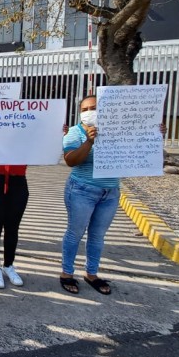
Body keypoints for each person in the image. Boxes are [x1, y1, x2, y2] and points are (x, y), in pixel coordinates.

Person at [59, 94, 118, 295]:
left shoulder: (118, 131)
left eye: (93, 108)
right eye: (85, 109)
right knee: (75, 233)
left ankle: (91, 274)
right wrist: (89, 142)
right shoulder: (75, 133)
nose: (89, 112)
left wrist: (155, 134)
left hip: (110, 192)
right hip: (82, 190)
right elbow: (71, 160)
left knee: (97, 236)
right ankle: (67, 273)